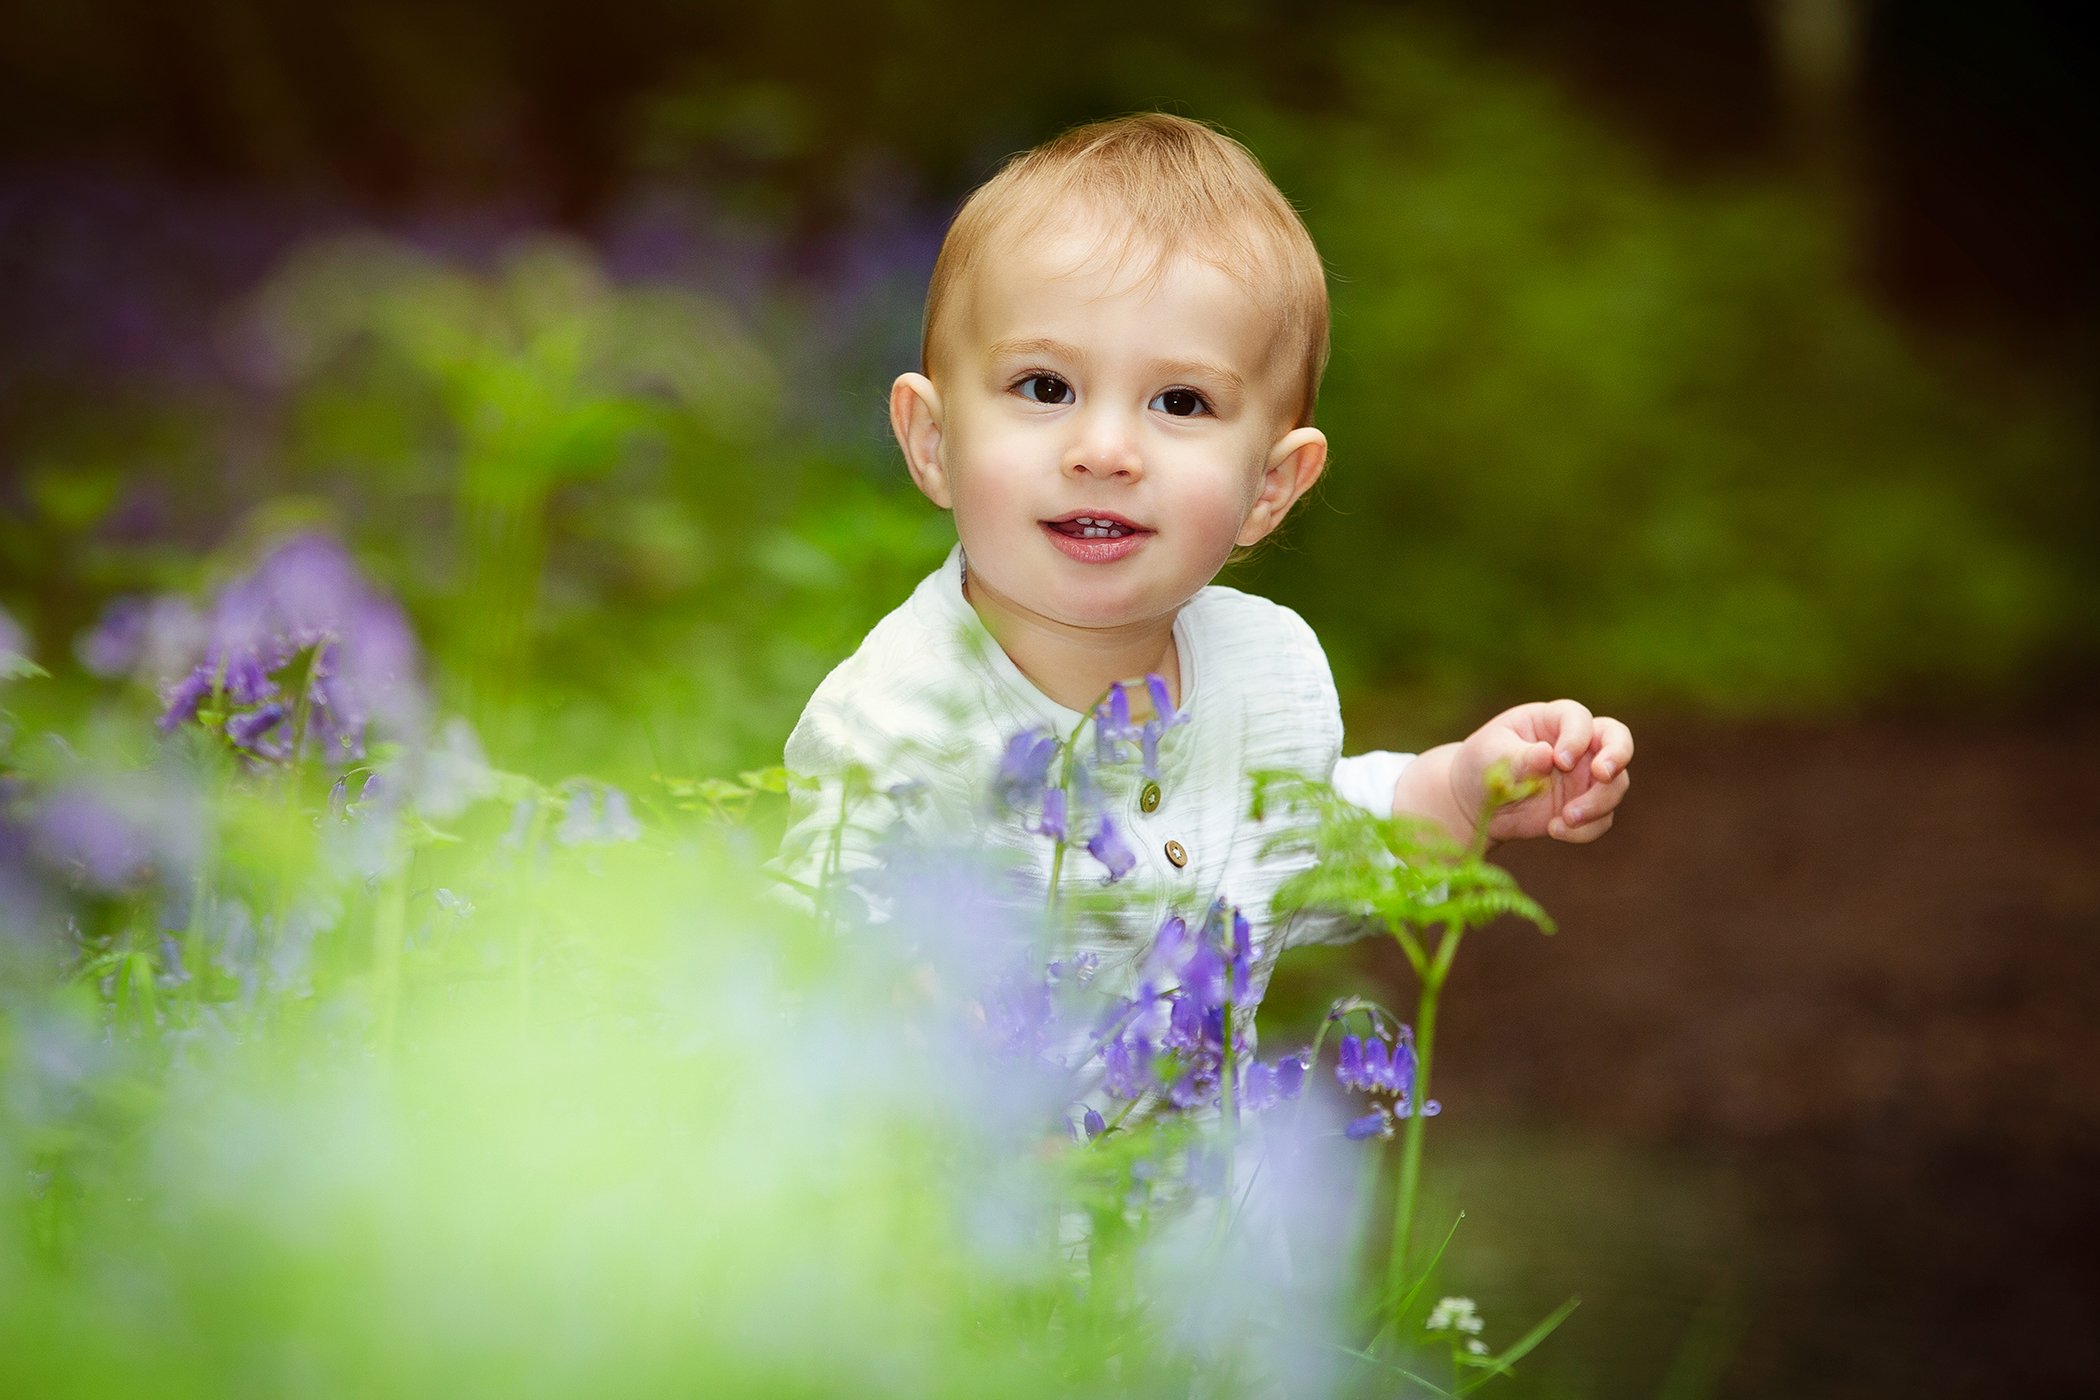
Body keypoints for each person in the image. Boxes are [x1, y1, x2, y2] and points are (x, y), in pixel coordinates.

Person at [777, 113, 1632, 996]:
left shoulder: (1263, 674)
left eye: (1180, 402)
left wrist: (1458, 795)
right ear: (931, 439)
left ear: (1270, 486)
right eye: (1046, 387)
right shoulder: (901, 717)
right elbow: (821, 968)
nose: (1104, 449)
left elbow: (1308, 848)